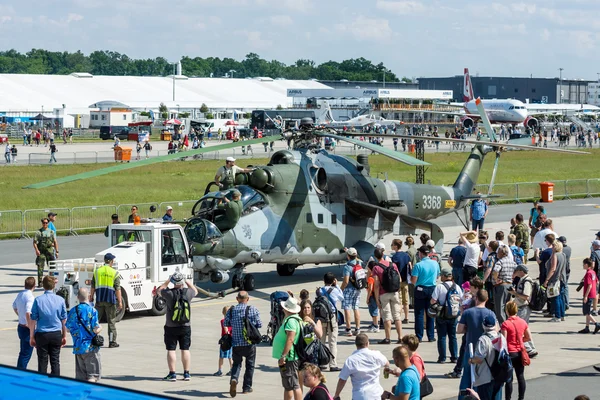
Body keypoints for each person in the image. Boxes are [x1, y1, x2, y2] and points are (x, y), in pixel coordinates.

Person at [156, 272, 199, 382]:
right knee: (185, 349)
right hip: (185, 326)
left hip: (171, 326)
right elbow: (196, 291)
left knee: (171, 349)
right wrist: (187, 281)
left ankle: (172, 374)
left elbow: (158, 290)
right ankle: (186, 373)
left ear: (173, 282)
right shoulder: (188, 293)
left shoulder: (168, 293)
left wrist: (168, 281)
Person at [457, 289, 496, 397]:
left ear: (476, 298)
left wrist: (468, 329)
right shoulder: (490, 313)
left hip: (470, 349)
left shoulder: (468, 312)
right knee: (482, 378)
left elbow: (459, 329)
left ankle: (463, 397)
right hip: (485, 351)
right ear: (487, 299)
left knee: (467, 377)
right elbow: (496, 330)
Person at [225, 290, 262, 396]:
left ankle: (234, 379)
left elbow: (226, 323)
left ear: (237, 299)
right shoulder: (252, 309)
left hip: (236, 343)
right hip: (249, 343)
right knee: (250, 366)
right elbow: (259, 324)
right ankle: (247, 387)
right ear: (247, 299)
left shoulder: (231, 310)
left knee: (236, 364)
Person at [29, 275, 67, 376]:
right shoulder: (60, 300)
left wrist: (31, 336)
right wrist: (64, 335)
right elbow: (64, 320)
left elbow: (33, 319)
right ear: (53, 286)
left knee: (42, 361)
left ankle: (42, 383)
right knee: (55, 361)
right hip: (55, 333)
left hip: (42, 334)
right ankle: (56, 382)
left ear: (43, 286)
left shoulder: (38, 300)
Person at [332, 333, 389, 400]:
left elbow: (342, 379)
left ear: (356, 344)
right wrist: (386, 373)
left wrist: (337, 394)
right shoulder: (376, 354)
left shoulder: (351, 360)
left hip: (360, 395)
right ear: (368, 343)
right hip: (376, 394)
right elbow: (387, 364)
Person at [65, 288, 102, 382]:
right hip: (90, 347)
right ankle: (90, 394)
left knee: (81, 377)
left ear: (78, 297)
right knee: (92, 376)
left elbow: (68, 329)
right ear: (89, 297)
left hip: (78, 347)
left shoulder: (72, 311)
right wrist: (100, 328)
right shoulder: (92, 310)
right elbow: (95, 328)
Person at [272, 296, 303, 400]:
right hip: (290, 357)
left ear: (286, 309)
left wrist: (283, 356)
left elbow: (290, 339)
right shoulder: (293, 319)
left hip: (289, 358)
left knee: (293, 385)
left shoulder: (291, 321)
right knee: (288, 385)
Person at [89, 253, 122, 348]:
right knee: (111, 321)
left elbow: (93, 286)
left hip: (99, 300)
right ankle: (112, 342)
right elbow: (117, 289)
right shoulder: (114, 273)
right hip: (110, 301)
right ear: (111, 261)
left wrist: (91, 296)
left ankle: (92, 339)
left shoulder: (97, 271)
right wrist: (119, 301)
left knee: (95, 321)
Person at [469, 314, 504, 400]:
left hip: (486, 377)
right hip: (499, 375)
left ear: (483, 325)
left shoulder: (483, 340)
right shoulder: (501, 337)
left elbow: (479, 359)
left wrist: (471, 360)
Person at [501, 301, 531, 400]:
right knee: (521, 377)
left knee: (509, 379)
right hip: (520, 352)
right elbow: (528, 337)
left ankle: (508, 398)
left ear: (507, 311)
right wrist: (521, 340)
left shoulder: (506, 323)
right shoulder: (522, 322)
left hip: (510, 352)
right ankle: (521, 398)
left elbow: (504, 340)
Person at [432, 267, 463, 363]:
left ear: (444, 276)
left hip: (442, 314)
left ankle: (442, 358)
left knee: (442, 337)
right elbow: (461, 300)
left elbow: (433, 300)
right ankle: (454, 357)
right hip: (453, 314)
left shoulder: (439, 287)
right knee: (452, 336)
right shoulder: (457, 286)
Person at [372, 248, 403, 344]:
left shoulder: (376, 268)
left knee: (387, 317)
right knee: (397, 316)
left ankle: (388, 338)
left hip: (383, 293)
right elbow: (400, 279)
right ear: (383, 254)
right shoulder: (392, 264)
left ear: (375, 256)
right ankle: (400, 337)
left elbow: (376, 285)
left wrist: (377, 299)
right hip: (394, 292)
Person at [411, 245, 440, 342]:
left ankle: (419, 336)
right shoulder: (435, 263)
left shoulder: (418, 265)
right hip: (432, 288)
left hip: (420, 289)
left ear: (421, 254)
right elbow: (437, 276)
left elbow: (413, 280)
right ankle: (431, 336)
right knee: (430, 313)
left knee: (419, 314)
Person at [316, 272, 343, 371]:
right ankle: (333, 364)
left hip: (322, 317)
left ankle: (322, 363)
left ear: (324, 280)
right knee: (332, 341)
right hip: (331, 317)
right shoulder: (334, 290)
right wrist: (337, 286)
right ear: (333, 281)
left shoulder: (319, 290)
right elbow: (341, 297)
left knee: (321, 340)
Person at [509, 265, 537, 356]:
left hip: (523, 308)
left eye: (516, 271)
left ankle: (529, 349)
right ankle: (531, 348)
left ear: (521, 271)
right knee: (525, 329)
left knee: (520, 329)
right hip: (521, 307)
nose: (515, 273)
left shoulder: (527, 281)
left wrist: (515, 293)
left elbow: (526, 296)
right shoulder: (522, 280)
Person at [13, 276, 36, 369]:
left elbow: (14, 306)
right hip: (26, 329)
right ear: (34, 286)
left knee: (23, 352)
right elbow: (28, 312)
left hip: (20, 326)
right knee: (26, 354)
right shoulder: (30, 297)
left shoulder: (20, 294)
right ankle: (21, 371)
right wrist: (30, 325)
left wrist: (20, 316)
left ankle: (19, 370)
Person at [492, 245, 517, 324]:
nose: (497, 254)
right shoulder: (512, 262)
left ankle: (503, 325)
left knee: (500, 307)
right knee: (508, 307)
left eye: (498, 252)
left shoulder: (500, 262)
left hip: (501, 286)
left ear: (502, 253)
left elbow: (495, 271)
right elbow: (516, 271)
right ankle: (509, 323)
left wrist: (496, 279)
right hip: (510, 286)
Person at [340, 247, 362, 336]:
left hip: (349, 289)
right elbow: (354, 257)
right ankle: (357, 328)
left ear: (348, 256)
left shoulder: (347, 267)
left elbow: (346, 281)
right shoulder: (359, 263)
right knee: (356, 308)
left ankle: (348, 328)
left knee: (347, 308)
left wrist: (340, 289)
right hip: (357, 289)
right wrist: (349, 252)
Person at [543, 239, 567, 322]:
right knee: (560, 297)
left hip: (555, 280)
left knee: (555, 297)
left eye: (553, 246)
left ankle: (557, 316)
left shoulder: (555, 255)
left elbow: (553, 268)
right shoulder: (563, 254)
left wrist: (547, 280)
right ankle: (562, 314)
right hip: (562, 279)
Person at [33, 218, 58, 287]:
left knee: (52, 266)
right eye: (44, 223)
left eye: (46, 223)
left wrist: (57, 251)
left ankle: (52, 280)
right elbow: (34, 242)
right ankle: (40, 282)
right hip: (41, 251)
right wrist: (36, 250)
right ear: (42, 223)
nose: (45, 224)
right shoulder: (38, 232)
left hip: (49, 251)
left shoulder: (51, 232)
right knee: (40, 266)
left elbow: (55, 242)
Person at [391, 239, 412, 323]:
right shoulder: (406, 255)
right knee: (406, 301)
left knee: (398, 300)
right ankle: (406, 318)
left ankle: (398, 318)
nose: (391, 245)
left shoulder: (394, 257)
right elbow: (410, 266)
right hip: (406, 280)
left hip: (397, 281)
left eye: (392, 244)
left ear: (396, 246)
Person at [579, 258, 600, 334]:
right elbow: (597, 282)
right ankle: (587, 327)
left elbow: (589, 285)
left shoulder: (588, 273)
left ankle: (596, 324)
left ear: (587, 265)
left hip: (588, 294)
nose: (583, 265)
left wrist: (585, 296)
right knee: (587, 311)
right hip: (593, 293)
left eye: (584, 264)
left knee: (586, 312)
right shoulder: (593, 272)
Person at [214, 306, 233, 376]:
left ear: (223, 313)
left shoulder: (223, 321)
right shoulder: (233, 321)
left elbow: (225, 329)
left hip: (225, 341)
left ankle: (220, 370)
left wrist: (227, 330)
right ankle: (232, 369)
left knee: (221, 357)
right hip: (231, 340)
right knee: (230, 357)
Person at [557, 236, 571, 310]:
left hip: (563, 270)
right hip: (567, 269)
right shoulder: (568, 248)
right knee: (565, 286)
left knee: (563, 287)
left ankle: (565, 303)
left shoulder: (562, 250)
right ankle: (566, 303)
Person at [365, 263, 380, 333]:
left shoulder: (371, 278)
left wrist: (367, 298)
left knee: (374, 311)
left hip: (372, 296)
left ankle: (376, 326)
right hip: (376, 295)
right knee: (374, 311)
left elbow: (370, 288)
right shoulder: (376, 276)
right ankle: (374, 324)